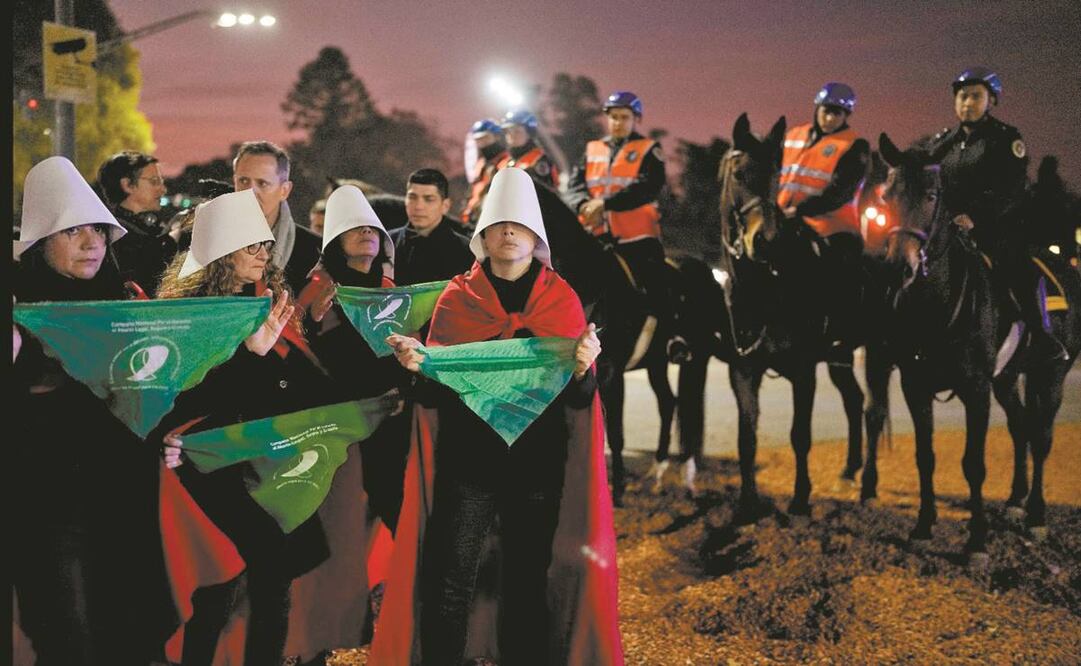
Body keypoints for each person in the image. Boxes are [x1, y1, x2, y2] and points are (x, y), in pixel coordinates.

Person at [373, 168, 621, 665]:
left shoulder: (561, 299)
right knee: (450, 578)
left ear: (535, 237)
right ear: (483, 235)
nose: (509, 232)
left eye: (519, 225)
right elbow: (439, 394)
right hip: (470, 463)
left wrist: (581, 370)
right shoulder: (457, 299)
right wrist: (422, 368)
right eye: (499, 224)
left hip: (537, 462)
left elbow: (579, 401)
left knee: (527, 581)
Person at [154, 189, 333, 665]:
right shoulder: (185, 315)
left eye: (265, 246)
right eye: (251, 245)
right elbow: (177, 400)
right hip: (201, 462)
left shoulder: (265, 302)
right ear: (221, 253)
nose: (263, 254)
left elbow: (275, 390)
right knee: (230, 573)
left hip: (252, 457)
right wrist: (249, 356)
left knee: (251, 572)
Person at [13, 156, 172, 665]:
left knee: (127, 631)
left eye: (99, 232)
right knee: (68, 635)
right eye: (73, 232)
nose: (92, 244)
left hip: (124, 499)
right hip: (48, 505)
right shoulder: (18, 306)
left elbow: (154, 383)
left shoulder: (125, 300)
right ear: (41, 240)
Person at [928, 66, 1067, 361]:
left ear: (991, 100)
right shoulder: (942, 143)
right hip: (950, 229)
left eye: (976, 96)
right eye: (962, 96)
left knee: (1019, 267)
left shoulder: (1005, 139)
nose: (967, 103)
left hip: (996, 228)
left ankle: (1041, 336)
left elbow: (1010, 190)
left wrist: (975, 218)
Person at [301, 184, 411, 529]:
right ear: (336, 242)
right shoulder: (318, 290)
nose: (366, 232)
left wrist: (404, 390)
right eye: (354, 228)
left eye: (371, 228)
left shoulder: (392, 291)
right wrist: (313, 322)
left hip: (391, 420)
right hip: (338, 427)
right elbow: (301, 358)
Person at [565, 90, 673, 341]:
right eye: (613, 117)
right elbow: (573, 186)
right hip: (594, 234)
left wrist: (604, 204)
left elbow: (648, 187)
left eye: (624, 117)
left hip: (637, 236)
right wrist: (583, 205)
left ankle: (671, 339)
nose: (618, 122)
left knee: (657, 283)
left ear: (636, 119)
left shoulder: (649, 149)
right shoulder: (592, 149)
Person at [777, 82, 870, 353]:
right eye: (827, 111)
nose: (830, 118)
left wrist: (802, 210)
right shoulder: (793, 135)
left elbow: (841, 190)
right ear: (817, 108)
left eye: (838, 114)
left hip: (833, 225)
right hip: (785, 218)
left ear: (846, 116)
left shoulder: (854, 146)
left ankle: (843, 334)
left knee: (842, 271)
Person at [232, 140, 322, 294]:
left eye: (262, 183)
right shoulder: (209, 244)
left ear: (284, 190)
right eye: (243, 181)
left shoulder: (315, 251)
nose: (249, 192)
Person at [97, 150, 177, 297]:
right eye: (154, 181)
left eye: (162, 181)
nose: (163, 189)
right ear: (127, 185)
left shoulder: (152, 228)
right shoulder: (113, 233)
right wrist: (174, 239)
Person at [390, 168, 475, 285]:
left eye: (428, 199)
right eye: (412, 197)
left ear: (445, 205)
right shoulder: (387, 243)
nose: (419, 206)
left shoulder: (466, 251)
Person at [461, 119, 508, 225]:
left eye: (486, 138)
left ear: (497, 137)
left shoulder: (507, 162)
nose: (482, 143)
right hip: (473, 220)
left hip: (495, 220)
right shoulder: (481, 164)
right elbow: (472, 192)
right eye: (479, 140)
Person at [496, 109, 560, 188]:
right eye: (508, 131)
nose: (511, 136)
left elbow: (546, 195)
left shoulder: (539, 161)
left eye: (517, 131)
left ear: (529, 133)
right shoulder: (505, 163)